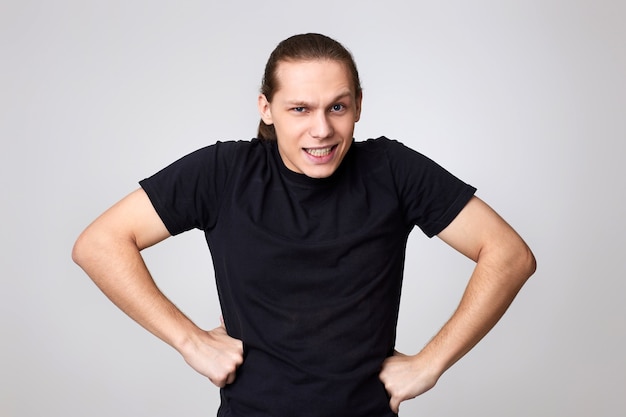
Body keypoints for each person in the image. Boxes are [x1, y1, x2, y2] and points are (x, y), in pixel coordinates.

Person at [72, 33, 536, 416]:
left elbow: (509, 255)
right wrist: (188, 340)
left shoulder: (392, 170)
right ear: (266, 109)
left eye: (337, 107)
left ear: (358, 105)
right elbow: (100, 243)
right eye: (300, 109)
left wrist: (430, 364)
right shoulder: (223, 173)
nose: (322, 130)